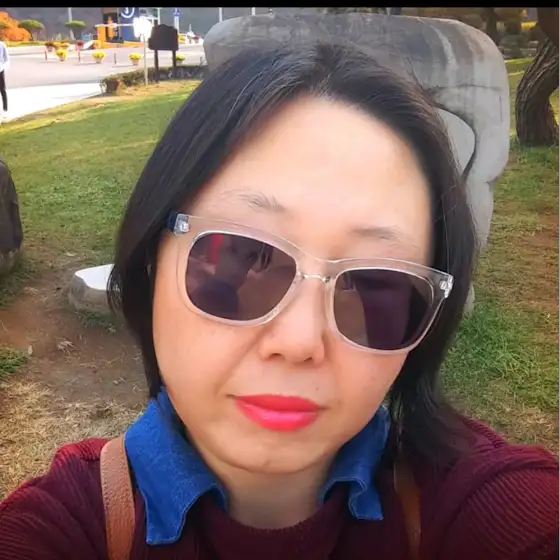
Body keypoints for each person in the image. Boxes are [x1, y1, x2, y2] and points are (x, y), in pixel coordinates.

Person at [0, 42, 557, 559]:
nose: (299, 341)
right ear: (151, 263)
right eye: (241, 258)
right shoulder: (66, 525)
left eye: (374, 285)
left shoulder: (481, 503)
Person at [0, 39, 9, 122]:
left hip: (0, 70)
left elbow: (7, 59)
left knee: (3, 90)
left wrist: (2, 67)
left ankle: (5, 110)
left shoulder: (2, 45)